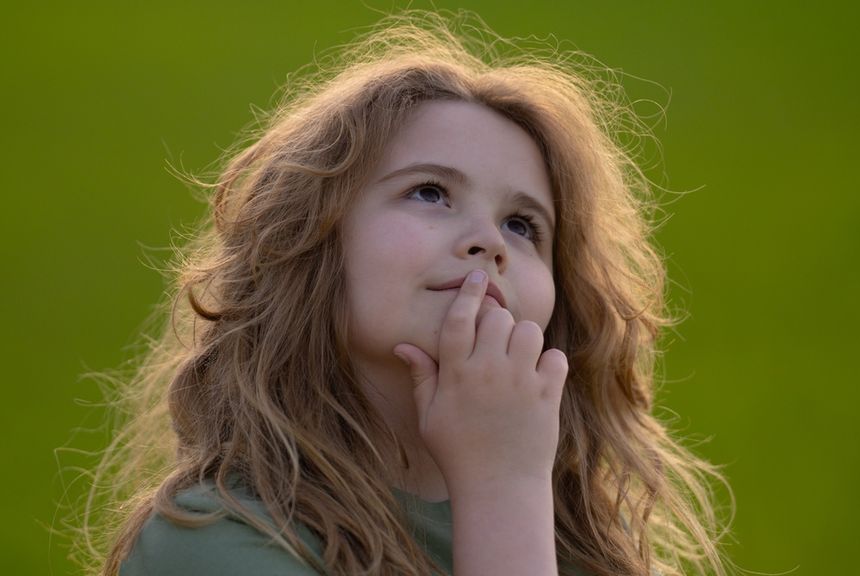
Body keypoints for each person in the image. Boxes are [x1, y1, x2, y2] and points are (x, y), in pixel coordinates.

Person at [80, 8, 733, 576]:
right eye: (430, 192)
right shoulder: (210, 541)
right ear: (311, 240)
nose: (489, 240)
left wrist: (508, 484)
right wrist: (501, 485)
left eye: (523, 224)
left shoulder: (595, 554)